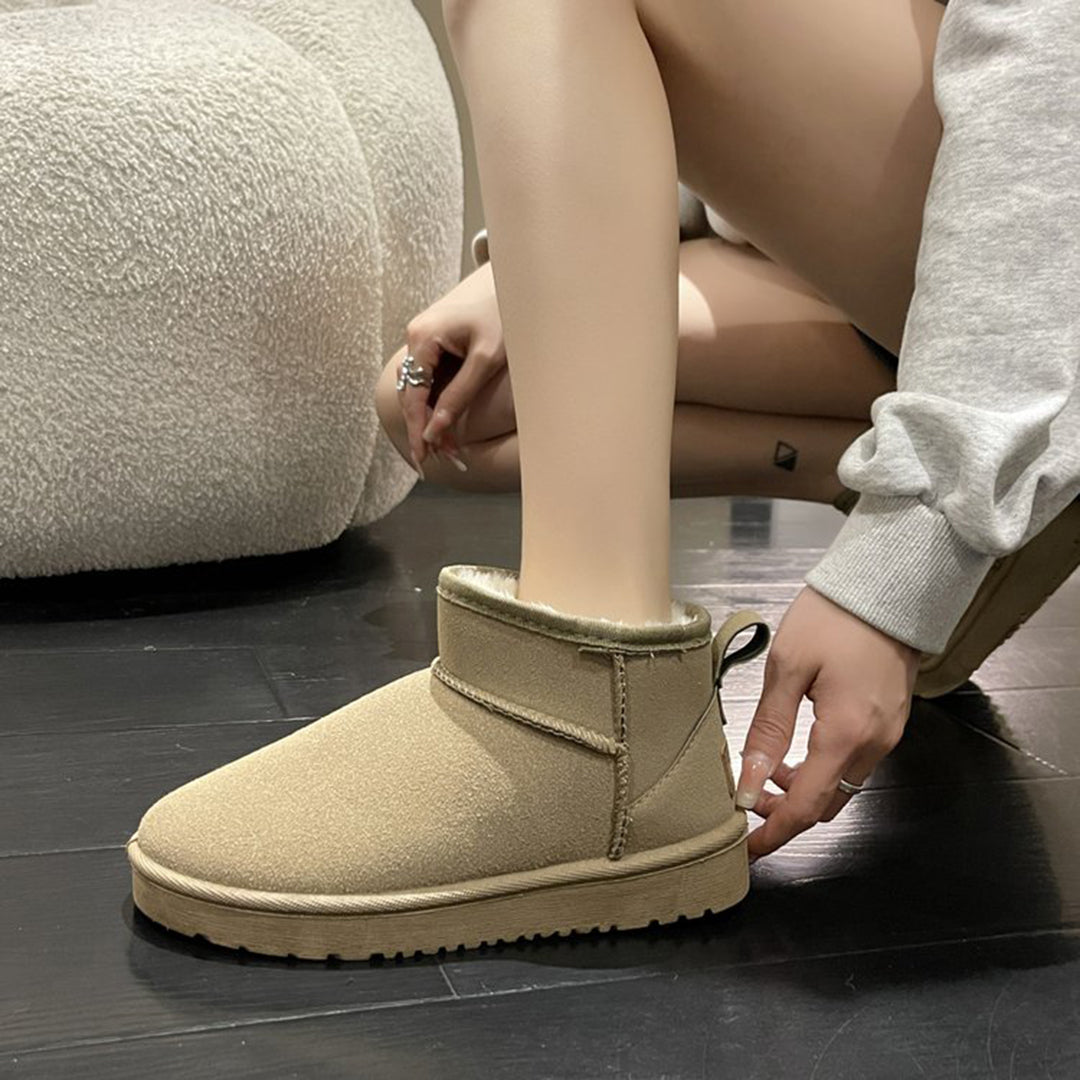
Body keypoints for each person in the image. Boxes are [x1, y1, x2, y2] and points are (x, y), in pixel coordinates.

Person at [125, 0, 1078, 959]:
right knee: (453, 407)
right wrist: (538, 262)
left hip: (1039, 229)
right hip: (916, 248)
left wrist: (912, 547)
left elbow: (1049, 78)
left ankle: (592, 708)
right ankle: (1014, 482)